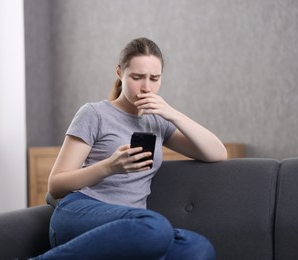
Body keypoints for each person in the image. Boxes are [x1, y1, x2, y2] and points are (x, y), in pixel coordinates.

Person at [34, 37, 227, 260]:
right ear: (119, 73)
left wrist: (171, 113)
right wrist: (109, 167)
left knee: (198, 248)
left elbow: (217, 153)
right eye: (137, 77)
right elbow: (56, 185)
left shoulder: (157, 121)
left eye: (154, 78)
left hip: (132, 227)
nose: (146, 87)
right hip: (81, 211)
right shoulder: (94, 114)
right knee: (155, 226)